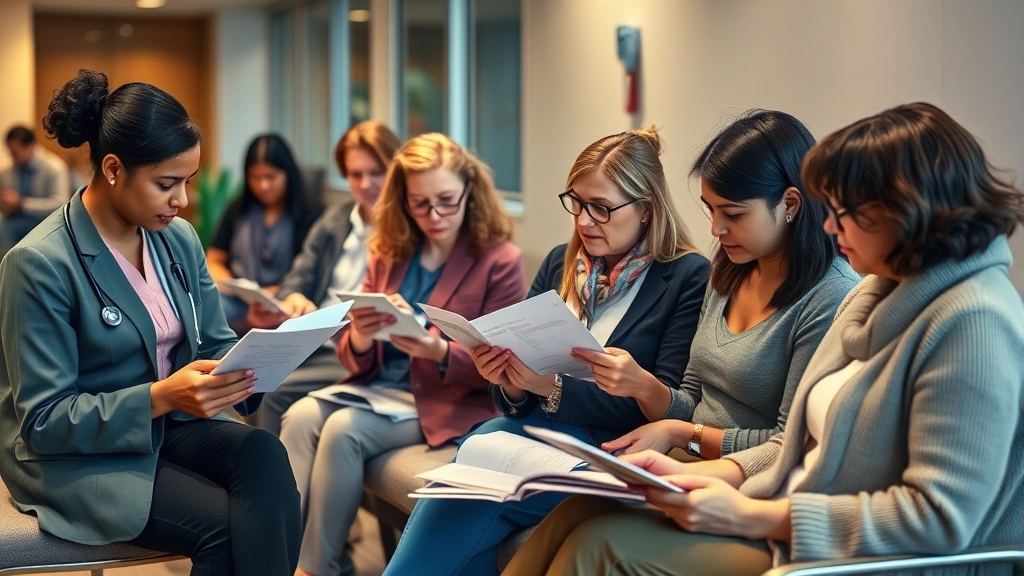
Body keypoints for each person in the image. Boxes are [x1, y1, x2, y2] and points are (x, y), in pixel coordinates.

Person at [502, 102, 1024, 576]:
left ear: (907, 211)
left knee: (601, 547)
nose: (830, 226)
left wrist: (749, 508)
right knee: (582, 510)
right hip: (783, 506)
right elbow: (795, 443)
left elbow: (937, 520)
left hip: (847, 555)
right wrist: (722, 470)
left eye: (844, 213)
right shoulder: (877, 295)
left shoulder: (974, 321)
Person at [0, 69, 301, 575]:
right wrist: (164, 396)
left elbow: (217, 340)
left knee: (264, 456)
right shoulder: (39, 263)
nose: (182, 201)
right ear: (114, 169)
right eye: (167, 184)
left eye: (188, 182)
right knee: (224, 530)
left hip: (172, 424)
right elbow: (44, 422)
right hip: (81, 453)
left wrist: (256, 364)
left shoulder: (177, 240)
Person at [383, 127, 711, 576]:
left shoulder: (687, 276)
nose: (583, 221)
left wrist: (549, 387)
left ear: (646, 209)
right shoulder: (562, 262)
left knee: (474, 499)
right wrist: (507, 380)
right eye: (576, 202)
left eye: (601, 208)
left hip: (608, 448)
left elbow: (658, 406)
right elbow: (513, 401)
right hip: (532, 433)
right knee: (475, 458)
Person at [279, 132, 525, 576]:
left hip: (443, 402)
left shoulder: (499, 259)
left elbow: (504, 367)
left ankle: (316, 569)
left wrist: (436, 348)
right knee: (298, 417)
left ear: (470, 190)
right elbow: (355, 356)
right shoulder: (390, 251)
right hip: (378, 389)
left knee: (342, 430)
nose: (434, 215)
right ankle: (276, 558)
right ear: (403, 201)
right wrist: (361, 338)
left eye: (446, 200)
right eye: (420, 203)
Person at [599, 110, 859, 462]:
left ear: (790, 205)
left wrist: (683, 434)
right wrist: (643, 386)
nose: (716, 229)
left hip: (747, 485)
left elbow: (791, 442)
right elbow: (691, 399)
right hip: (682, 461)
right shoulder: (730, 267)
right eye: (710, 210)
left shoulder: (831, 296)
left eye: (733, 214)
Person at [249, 120, 401, 435]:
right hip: (315, 340)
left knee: (271, 391)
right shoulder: (335, 218)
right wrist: (295, 297)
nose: (365, 184)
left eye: (376, 173)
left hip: (359, 351)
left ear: (394, 171)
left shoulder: (406, 231)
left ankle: (271, 482)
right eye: (355, 175)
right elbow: (299, 275)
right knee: (248, 375)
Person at [207, 133, 322, 331]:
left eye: (271, 177)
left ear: (288, 174)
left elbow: (310, 272)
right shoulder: (238, 209)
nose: (263, 186)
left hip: (283, 300)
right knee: (209, 311)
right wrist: (230, 283)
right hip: (237, 299)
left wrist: (275, 292)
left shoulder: (309, 215)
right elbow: (215, 259)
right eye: (256, 177)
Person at [0, 125, 72, 256]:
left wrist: (22, 204)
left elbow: (61, 203)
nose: (12, 157)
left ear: (31, 147)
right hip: (16, 222)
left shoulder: (54, 167)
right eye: (10, 152)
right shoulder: (7, 171)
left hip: (46, 222)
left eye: (15, 152)